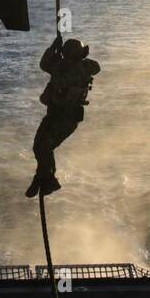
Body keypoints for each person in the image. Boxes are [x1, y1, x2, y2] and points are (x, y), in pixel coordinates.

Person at [26, 35, 100, 198]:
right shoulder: (61, 66)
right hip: (53, 114)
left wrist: (56, 52)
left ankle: (44, 179)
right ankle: (45, 178)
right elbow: (44, 64)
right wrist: (54, 48)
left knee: (45, 147)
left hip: (68, 118)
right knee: (39, 146)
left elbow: (94, 67)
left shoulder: (79, 68)